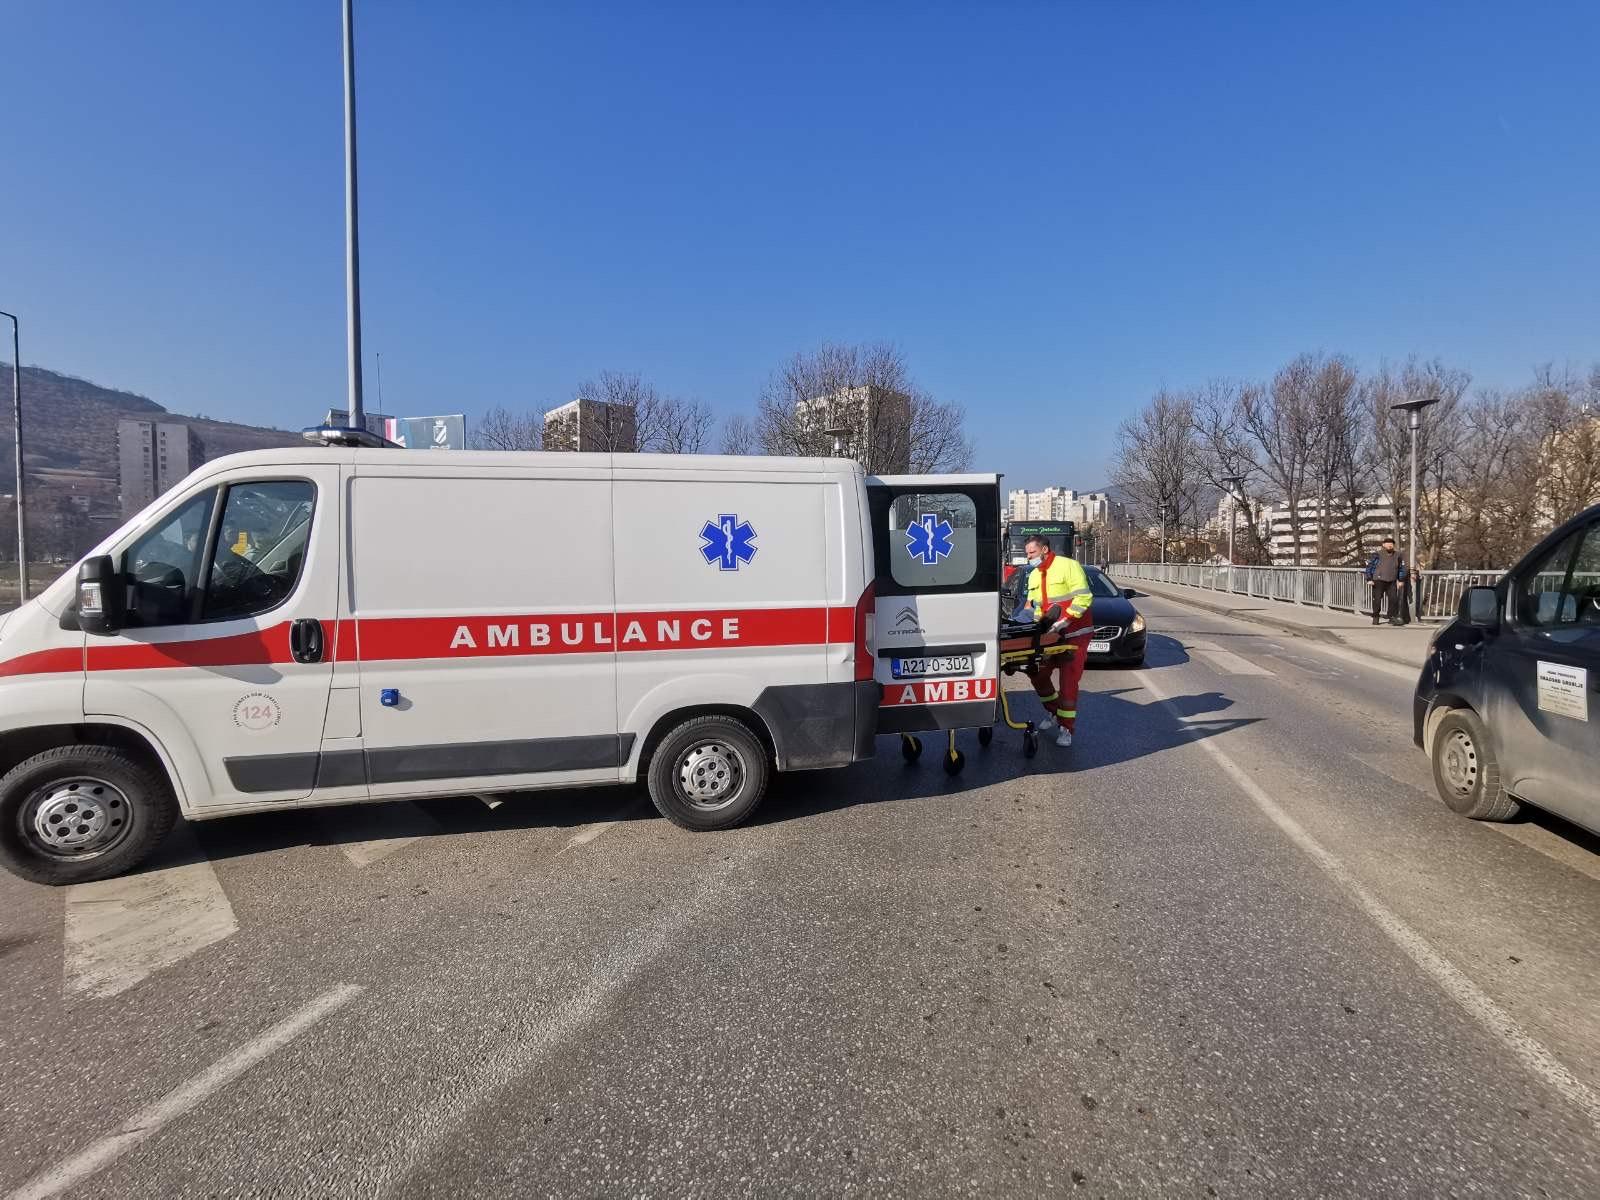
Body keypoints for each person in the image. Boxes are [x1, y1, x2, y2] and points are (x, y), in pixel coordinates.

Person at [1020, 534, 1095, 747]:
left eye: (1032, 553)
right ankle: (1054, 712)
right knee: (1038, 672)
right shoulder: (1034, 575)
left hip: (1075, 633)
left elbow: (1084, 598)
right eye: (1027, 554)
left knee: (1068, 682)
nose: (1029, 557)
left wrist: (1065, 620)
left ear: (1044, 549)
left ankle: (1066, 728)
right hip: (1050, 635)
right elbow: (1037, 608)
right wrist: (1036, 629)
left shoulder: (1068, 566)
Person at [1364, 536, 1408, 626]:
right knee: (1377, 600)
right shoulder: (1377, 554)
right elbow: (1369, 566)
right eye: (1387, 544)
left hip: (1391, 581)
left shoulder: (1398, 555)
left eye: (1391, 544)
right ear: (1383, 545)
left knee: (1393, 599)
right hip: (1378, 580)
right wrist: (1369, 579)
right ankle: (1376, 617)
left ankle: (1391, 617)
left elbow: (1401, 568)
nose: (1389, 546)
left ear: (1393, 545)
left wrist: (1401, 580)